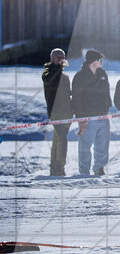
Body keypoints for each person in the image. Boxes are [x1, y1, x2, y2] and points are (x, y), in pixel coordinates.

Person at [71, 49, 112, 175]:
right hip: (87, 118)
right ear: (93, 61)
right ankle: (84, 172)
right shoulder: (80, 77)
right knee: (85, 147)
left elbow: (107, 93)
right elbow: (76, 99)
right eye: (100, 59)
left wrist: (107, 107)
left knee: (102, 146)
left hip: (103, 116)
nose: (102, 62)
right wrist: (81, 119)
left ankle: (99, 168)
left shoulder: (103, 74)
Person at [41, 48, 73, 176]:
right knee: (62, 139)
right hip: (55, 113)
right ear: (52, 59)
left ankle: (55, 167)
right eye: (57, 57)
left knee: (58, 140)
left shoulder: (65, 77)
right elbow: (48, 80)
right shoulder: (47, 72)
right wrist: (58, 68)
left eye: (62, 57)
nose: (60, 59)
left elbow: (67, 94)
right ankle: (59, 167)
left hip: (67, 113)